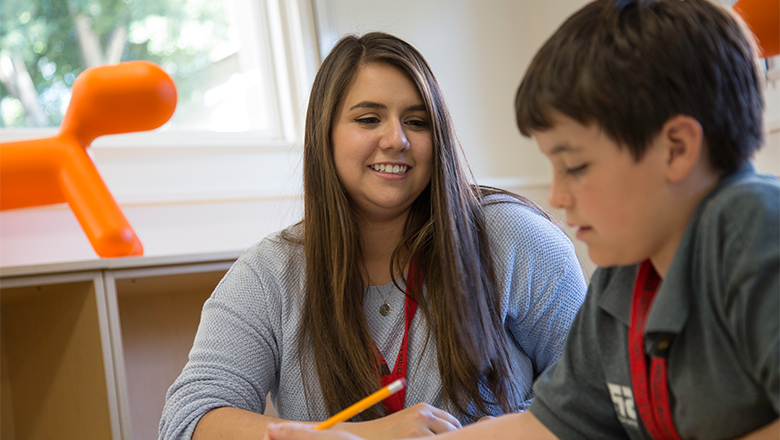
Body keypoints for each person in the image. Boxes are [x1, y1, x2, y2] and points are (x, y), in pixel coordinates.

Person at [261, 0, 780, 439]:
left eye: (575, 166)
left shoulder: (755, 230)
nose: (556, 195)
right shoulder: (624, 280)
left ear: (677, 148)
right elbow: (543, 428)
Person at [158, 32, 587, 440]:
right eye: (369, 119)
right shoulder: (269, 273)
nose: (396, 139)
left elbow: (596, 396)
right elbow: (188, 421)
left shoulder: (514, 238)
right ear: (324, 136)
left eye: (417, 122)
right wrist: (367, 435)